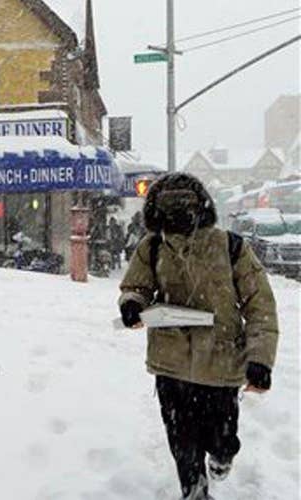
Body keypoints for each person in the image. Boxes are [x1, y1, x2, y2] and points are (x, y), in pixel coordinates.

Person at [117, 173, 279, 500]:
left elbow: (260, 305)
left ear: (200, 207)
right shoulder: (151, 249)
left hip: (221, 365)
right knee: (183, 443)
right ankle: (194, 492)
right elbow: (136, 286)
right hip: (171, 364)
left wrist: (260, 360)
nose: (178, 213)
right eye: (169, 207)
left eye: (185, 206)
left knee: (221, 440)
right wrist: (133, 305)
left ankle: (223, 457)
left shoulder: (231, 247)